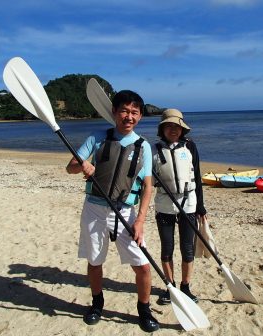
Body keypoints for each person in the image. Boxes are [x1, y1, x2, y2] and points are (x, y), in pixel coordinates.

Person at [66, 90, 159, 332]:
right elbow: (70, 168)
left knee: (143, 266)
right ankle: (97, 304)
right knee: (95, 261)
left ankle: (144, 309)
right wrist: (82, 163)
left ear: (139, 116)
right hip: (94, 209)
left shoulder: (144, 147)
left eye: (134, 112)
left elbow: (148, 187)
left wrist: (140, 221)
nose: (129, 116)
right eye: (124, 111)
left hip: (126, 212)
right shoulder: (97, 138)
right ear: (114, 113)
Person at [152, 108, 207, 305]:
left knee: (187, 248)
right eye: (169, 126)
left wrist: (200, 207)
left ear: (182, 129)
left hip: (188, 204)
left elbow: (198, 178)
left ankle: (185, 286)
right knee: (167, 248)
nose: (173, 129)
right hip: (165, 205)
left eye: (177, 126)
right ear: (163, 129)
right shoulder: (154, 150)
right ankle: (170, 286)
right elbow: (146, 180)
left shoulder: (190, 147)